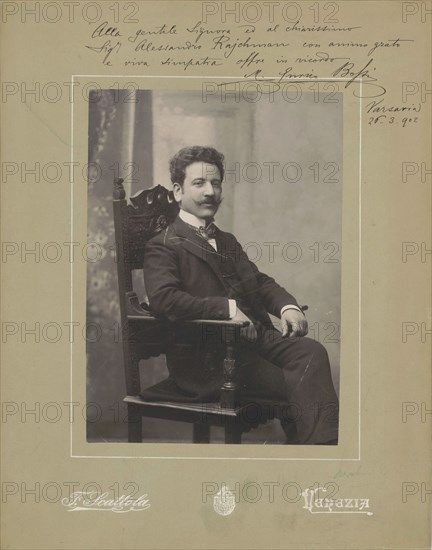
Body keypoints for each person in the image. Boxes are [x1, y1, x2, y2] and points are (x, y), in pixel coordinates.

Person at [143, 146, 339, 445]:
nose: (210, 192)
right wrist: (226, 308)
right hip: (210, 358)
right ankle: (317, 455)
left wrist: (288, 307)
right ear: (178, 191)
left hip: (252, 343)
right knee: (301, 381)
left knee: (311, 353)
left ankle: (314, 451)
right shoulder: (164, 244)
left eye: (216, 183)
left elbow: (258, 282)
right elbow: (164, 299)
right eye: (199, 184)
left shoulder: (226, 240)